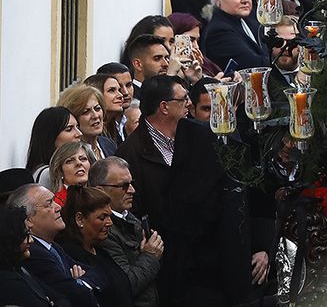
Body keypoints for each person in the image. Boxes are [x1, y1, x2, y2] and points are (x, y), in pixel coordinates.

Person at [118, 76, 262, 303]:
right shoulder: (131, 153)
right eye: (183, 99)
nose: (188, 104)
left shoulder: (195, 136)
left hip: (207, 258)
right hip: (169, 263)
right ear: (164, 107)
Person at [10, 184, 95, 307]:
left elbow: (95, 273)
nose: (58, 207)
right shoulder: (32, 252)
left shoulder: (53, 246)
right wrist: (79, 284)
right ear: (28, 219)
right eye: (49, 204)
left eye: (54, 200)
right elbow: (73, 293)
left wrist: (80, 282)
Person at [57, 187, 133, 307]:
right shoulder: (70, 256)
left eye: (109, 216)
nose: (110, 223)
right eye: (102, 218)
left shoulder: (100, 251)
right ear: (80, 219)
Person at [198, 0, 270, 71]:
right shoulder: (218, 31)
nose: (245, 0)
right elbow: (253, 65)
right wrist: (282, 62)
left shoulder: (248, 20)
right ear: (218, 0)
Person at [0, 201, 57, 307]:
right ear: (10, 240)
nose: (31, 240)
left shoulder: (20, 269)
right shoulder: (9, 283)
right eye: (25, 235)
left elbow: (60, 298)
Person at [25, 111, 80, 185]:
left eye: (77, 127)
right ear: (50, 137)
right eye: (69, 129)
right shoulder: (48, 174)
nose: (79, 133)